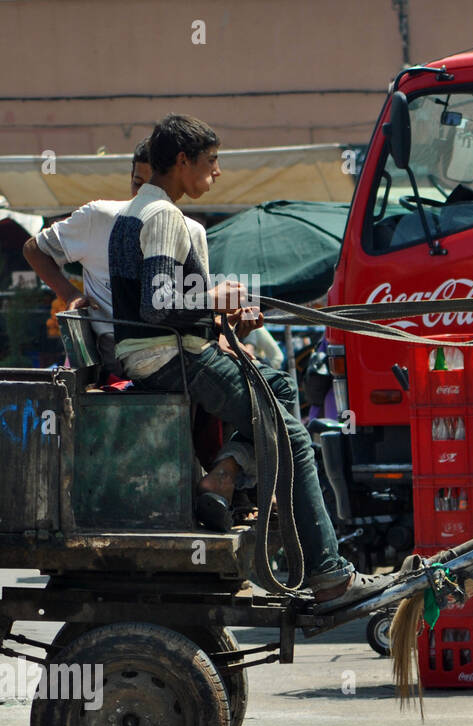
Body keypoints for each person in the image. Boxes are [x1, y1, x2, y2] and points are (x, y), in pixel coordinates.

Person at [108, 113, 393, 610]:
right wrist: (216, 297)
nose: (217, 173)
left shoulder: (138, 213)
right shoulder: (162, 218)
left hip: (168, 351)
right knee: (293, 438)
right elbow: (157, 304)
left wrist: (225, 313)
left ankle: (222, 475)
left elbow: (162, 299)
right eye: (212, 162)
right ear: (183, 161)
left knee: (281, 388)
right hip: (169, 358)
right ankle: (331, 576)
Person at [22, 139, 206, 376]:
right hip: (119, 354)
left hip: (178, 351)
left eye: (155, 189)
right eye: (138, 184)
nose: (144, 196)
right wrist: (69, 294)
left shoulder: (192, 231)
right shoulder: (100, 217)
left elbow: (197, 308)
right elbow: (34, 249)